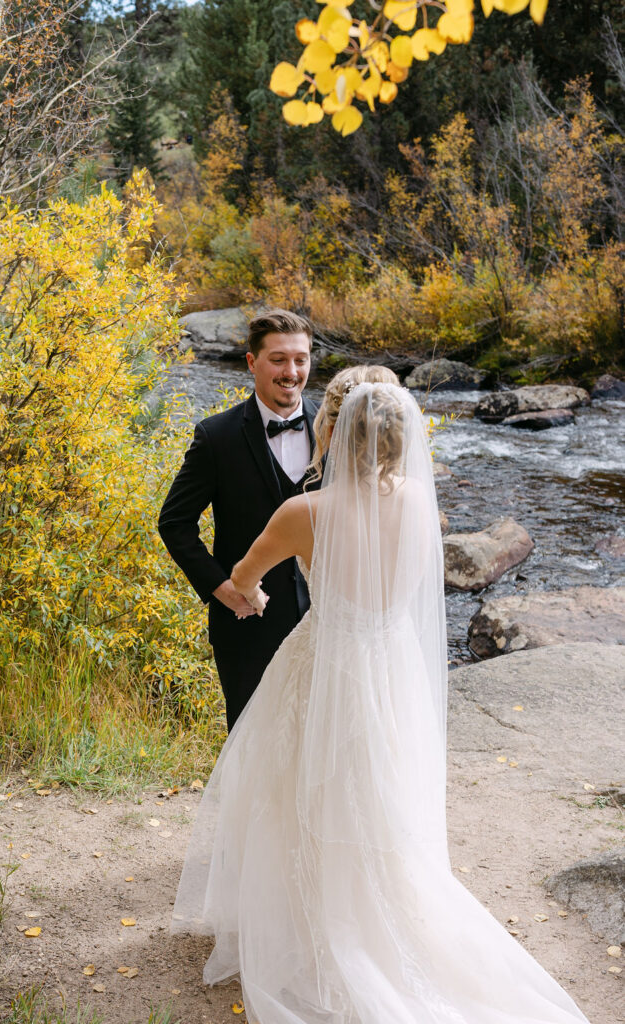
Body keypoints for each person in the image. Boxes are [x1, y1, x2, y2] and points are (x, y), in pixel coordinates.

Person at [170, 368, 592, 1024]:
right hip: (393, 671)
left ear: (332, 430)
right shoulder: (420, 504)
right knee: (376, 796)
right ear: (401, 440)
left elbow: (245, 579)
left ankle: (314, 925)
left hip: (326, 665)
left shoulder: (303, 512)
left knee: (300, 790)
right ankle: (380, 913)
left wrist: (249, 597)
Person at [158, 309, 317, 730]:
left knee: (321, 754)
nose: (291, 371)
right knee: (251, 750)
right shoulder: (217, 436)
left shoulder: (336, 428)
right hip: (247, 627)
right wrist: (221, 588)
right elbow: (174, 522)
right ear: (252, 363)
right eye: (278, 359)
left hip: (326, 625)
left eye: (300, 359)